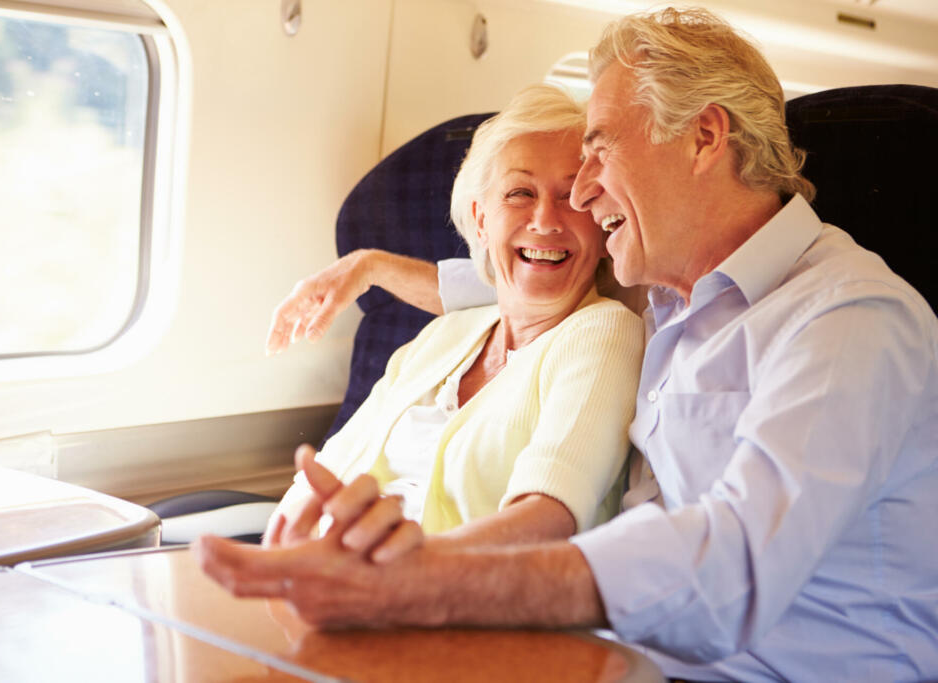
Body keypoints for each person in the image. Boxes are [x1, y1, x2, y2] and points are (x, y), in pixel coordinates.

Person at [196, 7, 938, 681]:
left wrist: (426, 580)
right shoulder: (668, 301)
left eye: (599, 150)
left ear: (705, 137)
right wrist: (375, 268)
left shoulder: (850, 321)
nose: (580, 197)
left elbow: (732, 566)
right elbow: (514, 284)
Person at [264, 83, 644, 555]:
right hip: (334, 581)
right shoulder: (442, 335)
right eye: (520, 193)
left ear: (599, 217)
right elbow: (319, 479)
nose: (545, 220)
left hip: (454, 604)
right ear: (481, 219)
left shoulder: (603, 333)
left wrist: (396, 577)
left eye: (570, 198)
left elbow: (546, 520)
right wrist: (280, 558)